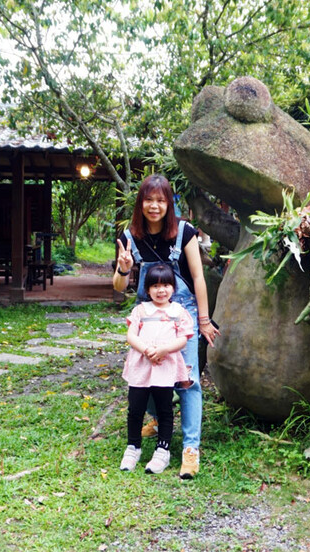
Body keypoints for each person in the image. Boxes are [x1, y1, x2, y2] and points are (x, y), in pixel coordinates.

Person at [113, 173, 220, 479]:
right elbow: (119, 287)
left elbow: (198, 277)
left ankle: (190, 449)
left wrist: (202, 319)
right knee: (141, 378)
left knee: (188, 382)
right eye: (149, 199)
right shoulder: (130, 236)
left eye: (161, 200)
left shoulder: (184, 231)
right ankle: (160, 418)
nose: (154, 206)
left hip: (182, 315)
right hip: (146, 318)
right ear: (140, 203)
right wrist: (124, 268)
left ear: (169, 203)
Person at [119, 263, 194, 474]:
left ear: (173, 287)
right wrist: (146, 350)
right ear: (147, 288)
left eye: (166, 285)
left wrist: (163, 350)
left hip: (165, 366)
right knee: (135, 409)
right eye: (155, 286)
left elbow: (182, 339)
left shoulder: (178, 311)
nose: (161, 290)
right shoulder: (141, 310)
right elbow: (131, 335)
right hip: (141, 365)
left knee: (164, 410)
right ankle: (133, 447)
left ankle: (163, 451)